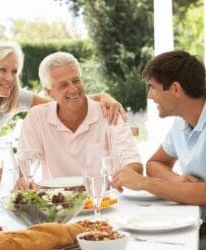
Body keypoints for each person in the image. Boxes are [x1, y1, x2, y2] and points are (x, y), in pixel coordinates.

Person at [16, 52, 142, 189]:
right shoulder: (37, 117)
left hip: (102, 201)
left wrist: (126, 175)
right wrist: (24, 182)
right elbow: (24, 167)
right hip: (56, 204)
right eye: (63, 85)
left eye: (76, 80)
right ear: (49, 92)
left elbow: (133, 163)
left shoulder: (109, 113)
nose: (73, 89)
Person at [112, 50, 206, 206]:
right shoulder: (181, 123)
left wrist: (144, 183)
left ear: (176, 89)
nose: (149, 96)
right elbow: (154, 164)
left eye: (152, 87)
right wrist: (176, 179)